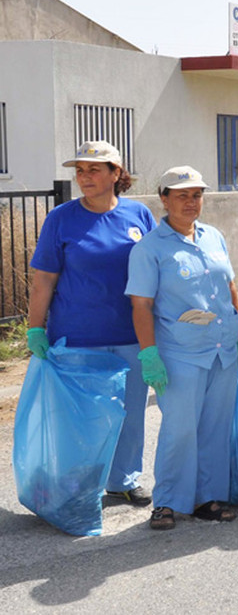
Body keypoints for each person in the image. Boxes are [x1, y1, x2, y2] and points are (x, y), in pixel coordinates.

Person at [26, 140, 157, 507]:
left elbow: (154, 272)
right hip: (79, 338)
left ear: (117, 173)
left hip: (131, 336)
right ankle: (77, 487)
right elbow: (43, 279)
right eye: (80, 170)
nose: (84, 177)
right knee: (83, 419)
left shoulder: (139, 216)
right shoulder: (61, 219)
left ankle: (123, 479)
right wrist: (36, 328)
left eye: (94, 169)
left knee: (129, 414)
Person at [126, 166, 238, 530]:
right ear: (164, 199)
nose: (191, 202)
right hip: (180, 353)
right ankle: (167, 502)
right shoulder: (150, 248)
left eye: (196, 195)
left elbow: (229, 286)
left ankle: (208, 499)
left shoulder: (214, 237)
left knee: (215, 427)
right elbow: (141, 305)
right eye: (182, 195)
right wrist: (149, 354)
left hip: (221, 349)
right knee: (180, 428)